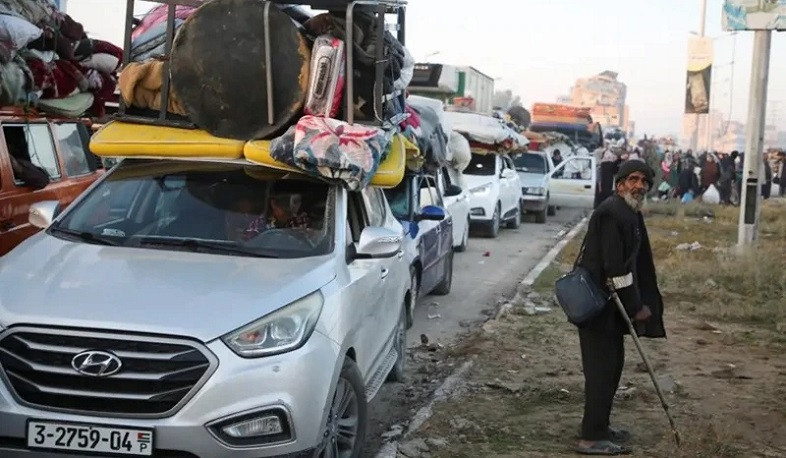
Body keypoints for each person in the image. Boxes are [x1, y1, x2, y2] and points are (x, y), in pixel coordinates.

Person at [574, 160, 666, 456]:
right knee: (602, 370)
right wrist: (636, 305)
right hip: (600, 307)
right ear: (620, 184)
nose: (639, 186)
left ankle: (598, 427)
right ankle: (590, 438)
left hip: (609, 308)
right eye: (633, 180)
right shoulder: (613, 214)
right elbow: (615, 269)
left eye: (644, 182)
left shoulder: (627, 212)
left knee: (611, 369)